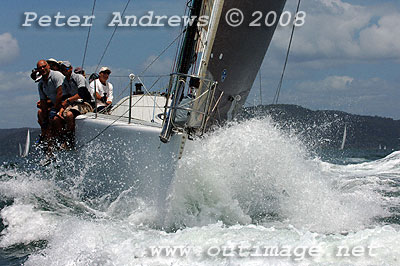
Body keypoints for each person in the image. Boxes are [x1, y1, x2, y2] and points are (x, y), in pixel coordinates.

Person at [59, 61, 93, 148]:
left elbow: (81, 93)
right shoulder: (65, 82)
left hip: (85, 103)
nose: (64, 71)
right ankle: (60, 139)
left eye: (66, 68)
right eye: (62, 69)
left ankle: (71, 139)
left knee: (69, 114)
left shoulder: (79, 77)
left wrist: (68, 100)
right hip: (74, 104)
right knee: (57, 118)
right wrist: (61, 110)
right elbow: (64, 98)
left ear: (71, 69)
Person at [36, 59, 64, 151]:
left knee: (55, 119)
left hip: (65, 103)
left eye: (44, 66)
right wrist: (44, 118)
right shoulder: (41, 83)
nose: (43, 69)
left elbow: (60, 93)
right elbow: (43, 100)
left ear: (48, 66)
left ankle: (63, 139)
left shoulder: (57, 76)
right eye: (40, 68)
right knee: (41, 114)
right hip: (54, 105)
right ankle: (49, 146)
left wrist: (54, 109)